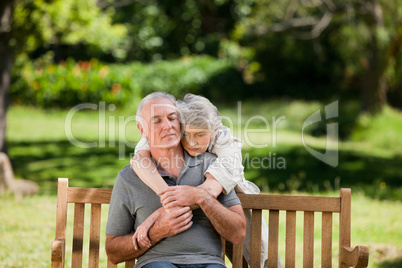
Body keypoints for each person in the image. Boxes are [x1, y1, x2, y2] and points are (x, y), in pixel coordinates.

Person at [130, 93, 282, 268]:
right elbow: (139, 159)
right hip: (202, 229)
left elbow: (203, 193)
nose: (192, 143)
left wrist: (151, 220)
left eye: (200, 135)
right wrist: (168, 199)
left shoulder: (227, 146)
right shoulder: (174, 131)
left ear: (214, 132)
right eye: (187, 135)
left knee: (259, 257)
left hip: (232, 206)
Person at [105, 92, 246, 268]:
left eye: (172, 118)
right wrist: (156, 232)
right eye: (157, 121)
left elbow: (238, 233)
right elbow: (113, 252)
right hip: (158, 263)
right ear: (142, 130)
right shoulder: (129, 177)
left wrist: (203, 198)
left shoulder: (212, 167)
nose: (168, 126)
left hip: (209, 263)